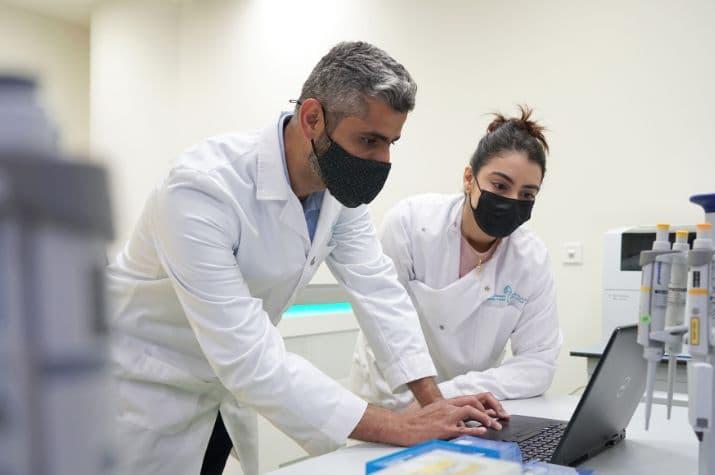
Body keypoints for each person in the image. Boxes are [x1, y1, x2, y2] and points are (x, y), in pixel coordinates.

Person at [106, 41, 504, 475]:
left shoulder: (338, 193)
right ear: (313, 117)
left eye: (391, 143)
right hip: (145, 393)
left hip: (221, 395)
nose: (382, 160)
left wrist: (435, 405)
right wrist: (399, 426)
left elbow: (379, 293)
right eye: (369, 140)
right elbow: (249, 356)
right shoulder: (199, 191)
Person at [350, 106, 563, 410]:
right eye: (500, 185)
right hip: (391, 402)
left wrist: (453, 393)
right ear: (468, 178)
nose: (512, 200)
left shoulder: (531, 259)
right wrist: (427, 401)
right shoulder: (411, 225)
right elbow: (384, 324)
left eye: (527, 194)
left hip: (468, 408)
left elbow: (538, 366)